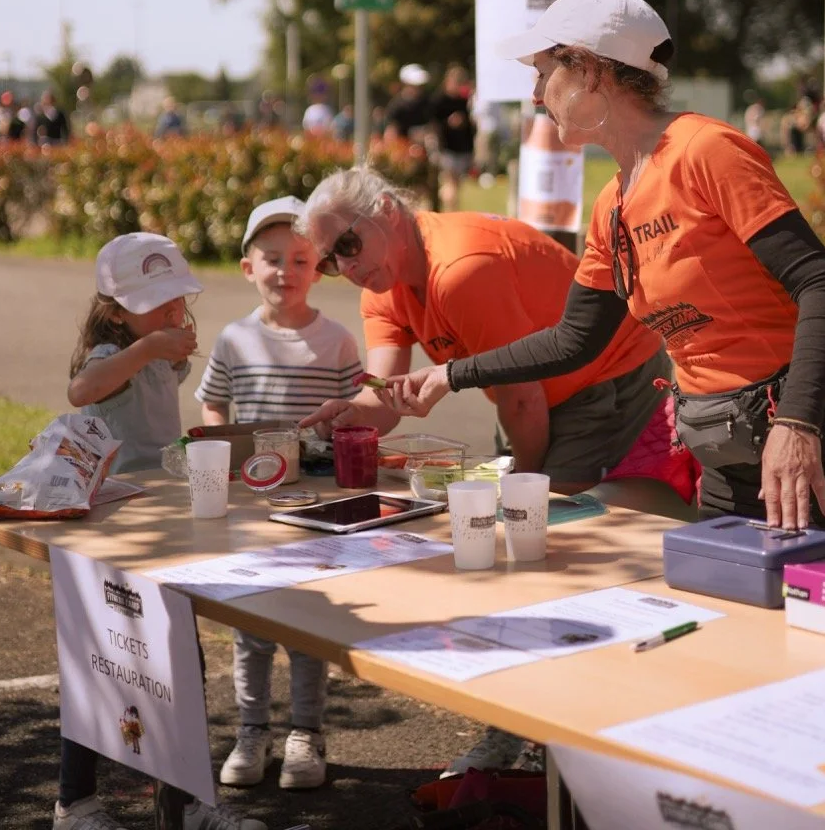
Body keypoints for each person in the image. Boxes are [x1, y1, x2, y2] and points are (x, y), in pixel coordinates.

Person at [383, 0, 825, 561]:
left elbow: (819, 280)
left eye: (544, 72)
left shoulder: (706, 150)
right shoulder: (613, 203)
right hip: (725, 459)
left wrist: (798, 424)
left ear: (591, 70)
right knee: (734, 619)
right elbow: (576, 339)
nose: (534, 95)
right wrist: (451, 375)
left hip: (821, 447)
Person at [297, 171, 691, 501]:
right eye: (330, 261)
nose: (346, 265)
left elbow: (521, 398)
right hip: (528, 395)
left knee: (548, 515)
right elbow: (383, 396)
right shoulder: (381, 287)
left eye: (348, 244)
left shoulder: (459, 271)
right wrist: (353, 415)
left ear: (386, 209)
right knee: (520, 512)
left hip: (606, 373)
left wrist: (522, 488)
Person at [56, 232, 263, 830]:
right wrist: (149, 347)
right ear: (115, 312)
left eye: (179, 299)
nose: (176, 311)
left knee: (177, 658)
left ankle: (186, 800)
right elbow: (81, 391)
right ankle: (76, 803)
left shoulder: (158, 353)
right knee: (101, 659)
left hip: (162, 527)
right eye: (159, 301)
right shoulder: (111, 356)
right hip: (113, 531)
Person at [196, 197, 359, 792]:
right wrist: (223, 455)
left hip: (313, 507)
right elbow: (212, 402)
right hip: (252, 505)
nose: (285, 271)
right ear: (247, 267)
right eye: (271, 259)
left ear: (317, 267)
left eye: (299, 259)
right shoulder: (234, 340)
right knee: (254, 625)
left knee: (308, 622)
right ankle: (251, 729)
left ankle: (306, 733)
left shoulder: (338, 341)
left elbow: (354, 415)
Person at [430, 65, 476, 212]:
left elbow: (470, 126)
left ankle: (451, 209)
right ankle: (452, 210)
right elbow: (433, 124)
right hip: (446, 147)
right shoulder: (439, 100)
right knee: (450, 182)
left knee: (455, 184)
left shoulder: (463, 101)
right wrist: (448, 123)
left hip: (462, 148)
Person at [384, 64, 431, 142]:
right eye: (415, 85)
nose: (418, 88)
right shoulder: (396, 106)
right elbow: (391, 134)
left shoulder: (426, 102)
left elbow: (431, 126)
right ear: (406, 85)